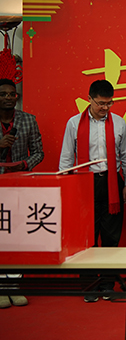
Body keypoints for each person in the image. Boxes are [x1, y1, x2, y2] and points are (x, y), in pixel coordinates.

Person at [59, 79, 126, 302]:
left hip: (111, 182)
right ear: (89, 99)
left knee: (111, 236)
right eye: (100, 103)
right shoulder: (74, 123)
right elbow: (66, 158)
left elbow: (125, 156)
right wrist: (65, 189)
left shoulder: (118, 123)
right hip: (84, 183)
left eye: (109, 103)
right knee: (86, 238)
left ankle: (108, 284)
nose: (105, 107)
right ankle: (89, 285)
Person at [0, 78, 44, 309]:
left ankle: (14, 286)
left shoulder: (28, 120)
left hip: (19, 184)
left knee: (17, 234)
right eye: (3, 94)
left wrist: (25, 164)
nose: (8, 98)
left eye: (12, 94)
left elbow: (38, 152)